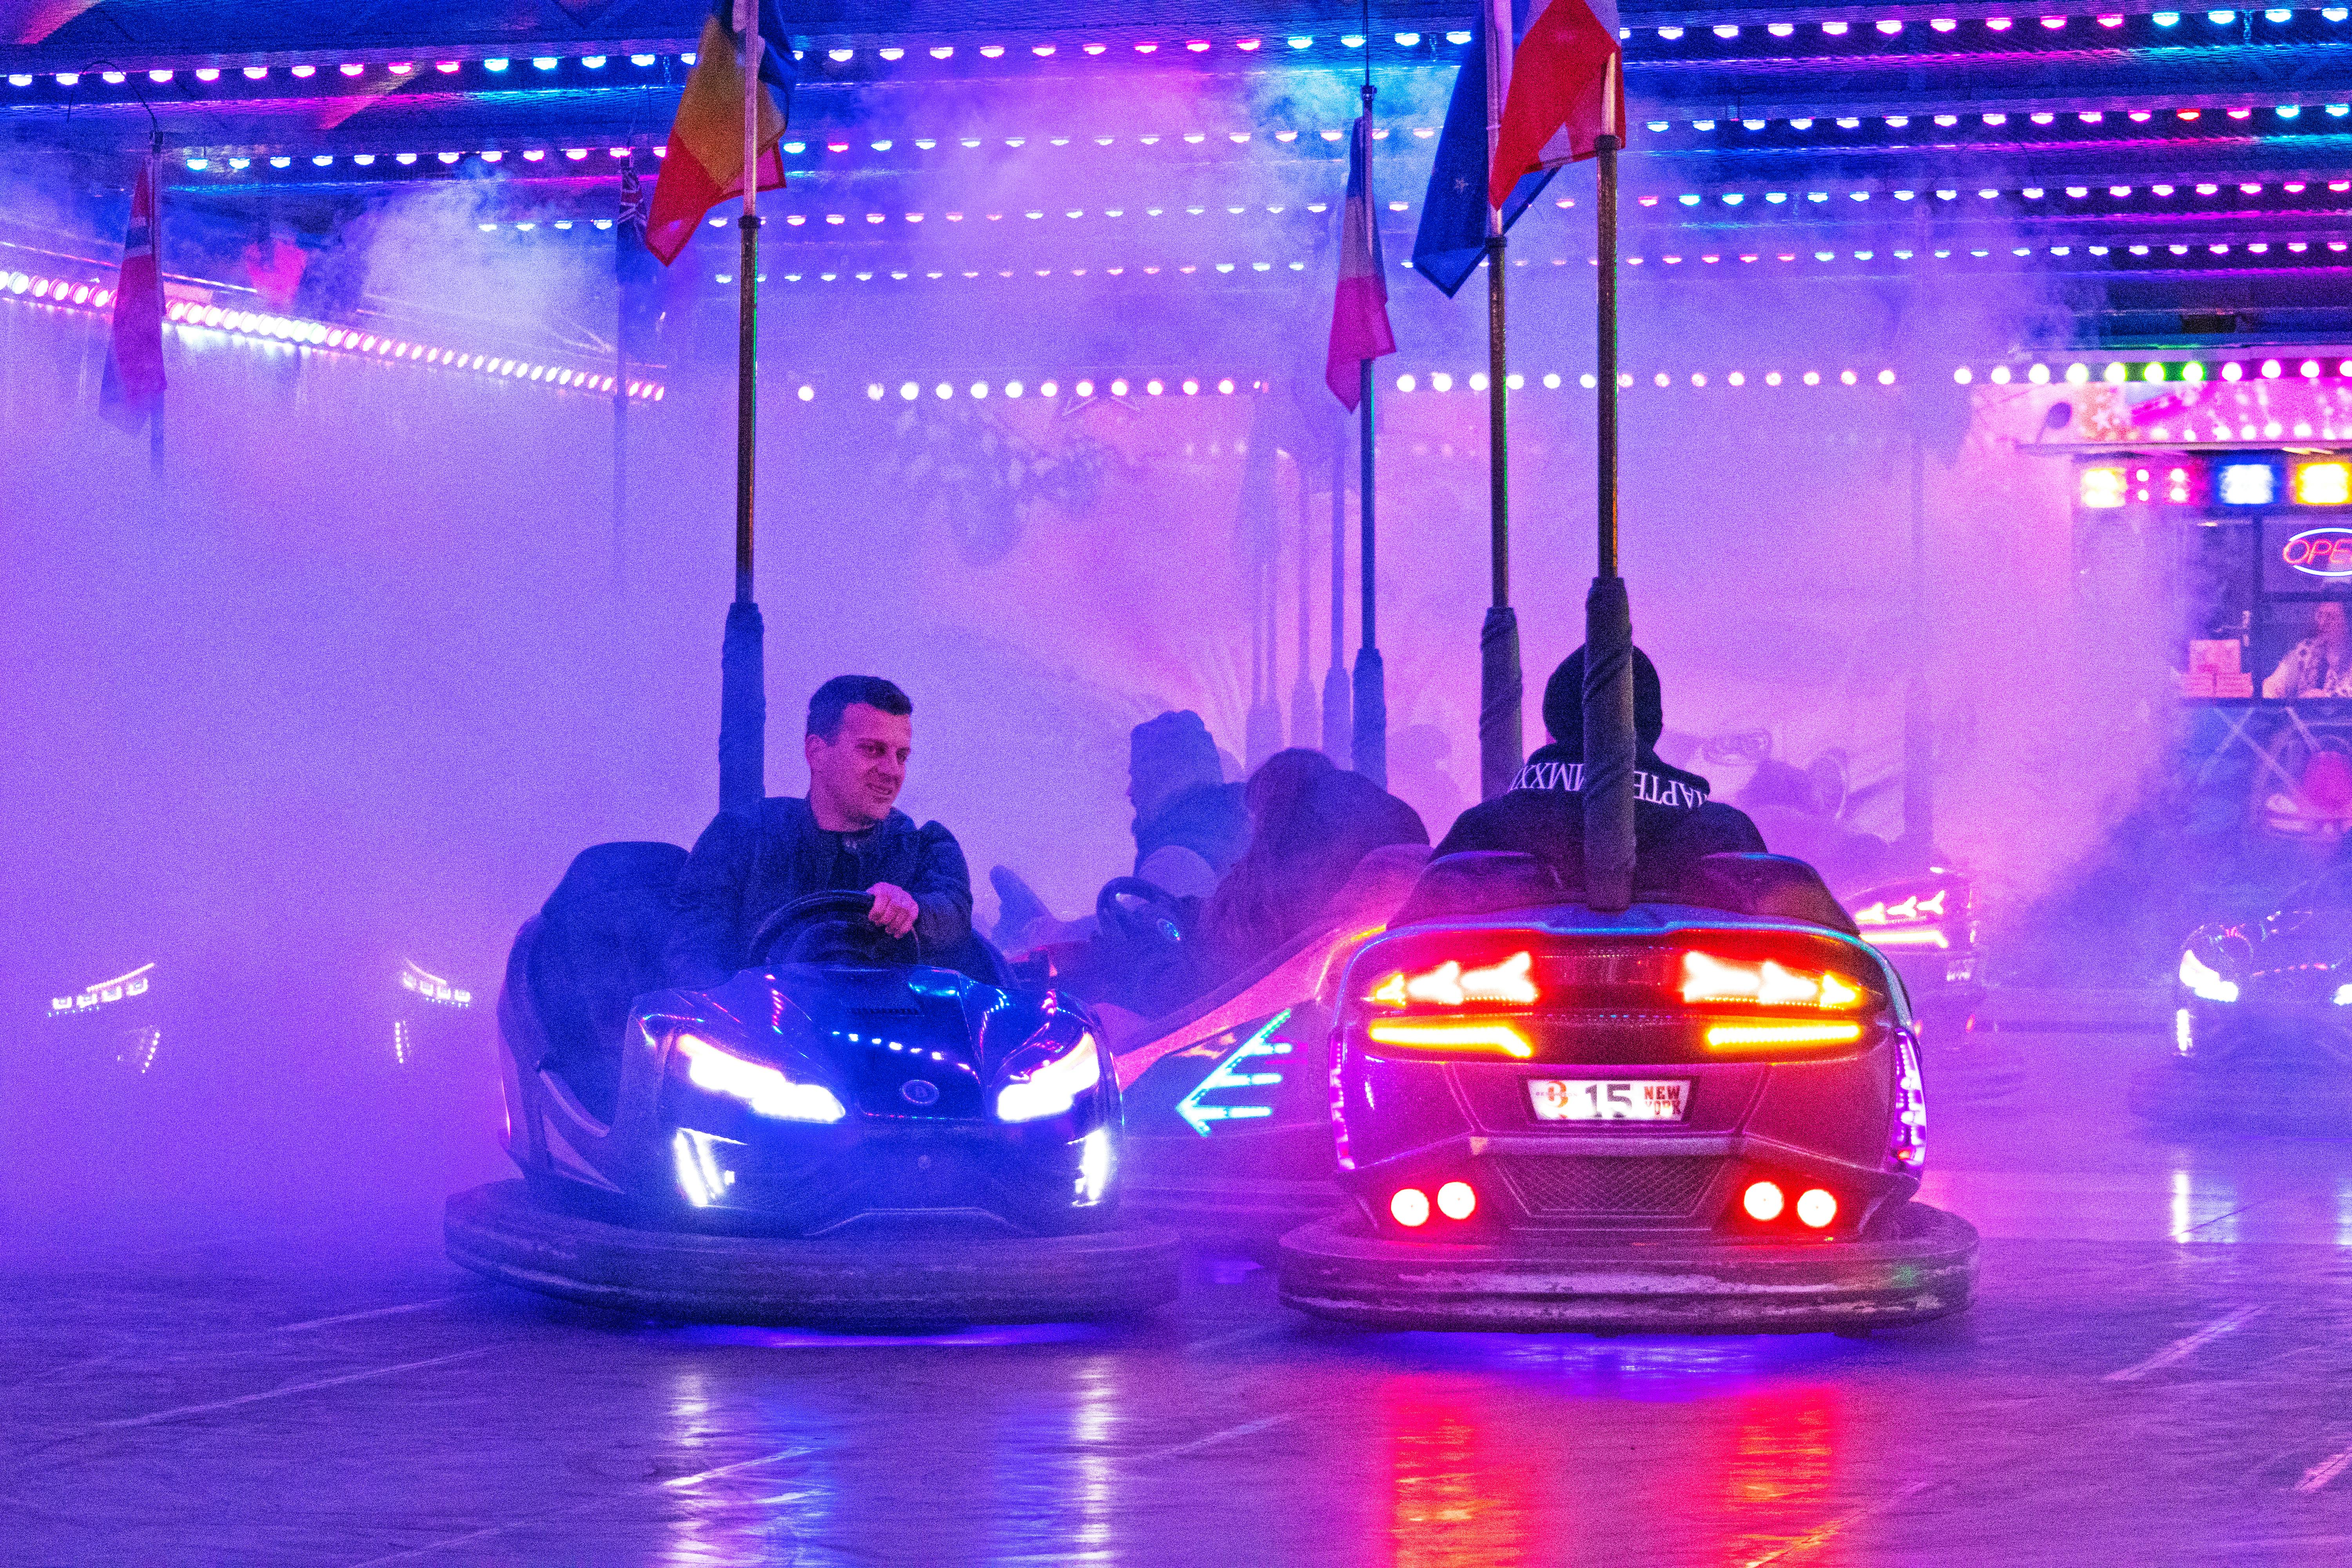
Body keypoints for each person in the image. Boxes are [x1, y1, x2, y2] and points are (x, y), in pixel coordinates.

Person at [668, 676, 975, 985]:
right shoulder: (739, 837)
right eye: (872, 750)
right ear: (816, 752)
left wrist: (912, 908)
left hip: (889, 1014)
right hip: (761, 1013)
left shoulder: (925, 848)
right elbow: (692, 956)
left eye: (901, 756)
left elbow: (953, 914)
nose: (892, 771)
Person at [1434, 647, 1767, 897]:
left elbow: (1414, 944)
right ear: (1653, 730)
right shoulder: (1729, 835)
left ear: (1552, 729)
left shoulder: (1480, 833)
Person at [1198, 748, 1428, 970]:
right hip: (1416, 956)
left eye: (1254, 814)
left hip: (1326, 979)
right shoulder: (1391, 821)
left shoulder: (1277, 856)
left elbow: (1230, 941)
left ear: (1266, 805)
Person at [1127, 711, 1249, 893]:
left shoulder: (1172, 864)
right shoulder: (1241, 827)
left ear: (1162, 779)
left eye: (1137, 778)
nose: (1129, 792)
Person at [2263, 601, 2352, 699]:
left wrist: (2326, 698)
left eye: (2331, 617)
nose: (2322, 623)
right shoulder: (2306, 649)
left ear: (2348, 622)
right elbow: (2277, 682)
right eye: (2320, 616)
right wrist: (2266, 690)